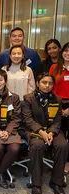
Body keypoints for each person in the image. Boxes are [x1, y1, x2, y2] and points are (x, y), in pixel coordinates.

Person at [22, 73, 68, 194]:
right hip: (34, 130)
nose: (47, 85)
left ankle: (56, 182)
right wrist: (42, 132)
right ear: (37, 83)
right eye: (44, 82)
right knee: (37, 145)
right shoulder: (28, 98)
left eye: (50, 83)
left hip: (52, 130)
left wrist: (52, 133)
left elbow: (58, 120)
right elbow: (28, 120)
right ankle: (36, 184)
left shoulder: (57, 99)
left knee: (63, 145)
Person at [49, 42, 69, 173]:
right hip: (56, 104)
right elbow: (49, 87)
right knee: (57, 133)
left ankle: (67, 162)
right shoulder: (55, 68)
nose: (68, 53)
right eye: (66, 51)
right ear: (62, 52)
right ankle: (56, 160)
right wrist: (58, 108)